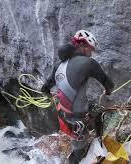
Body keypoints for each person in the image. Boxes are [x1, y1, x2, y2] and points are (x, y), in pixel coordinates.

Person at [41, 30, 115, 164]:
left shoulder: (59, 66)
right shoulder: (89, 63)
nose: (91, 53)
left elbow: (45, 89)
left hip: (63, 115)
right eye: (91, 49)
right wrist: (107, 92)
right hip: (77, 120)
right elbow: (109, 84)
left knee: (94, 110)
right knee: (78, 152)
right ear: (83, 47)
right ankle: (96, 143)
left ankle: (97, 140)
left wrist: (53, 95)